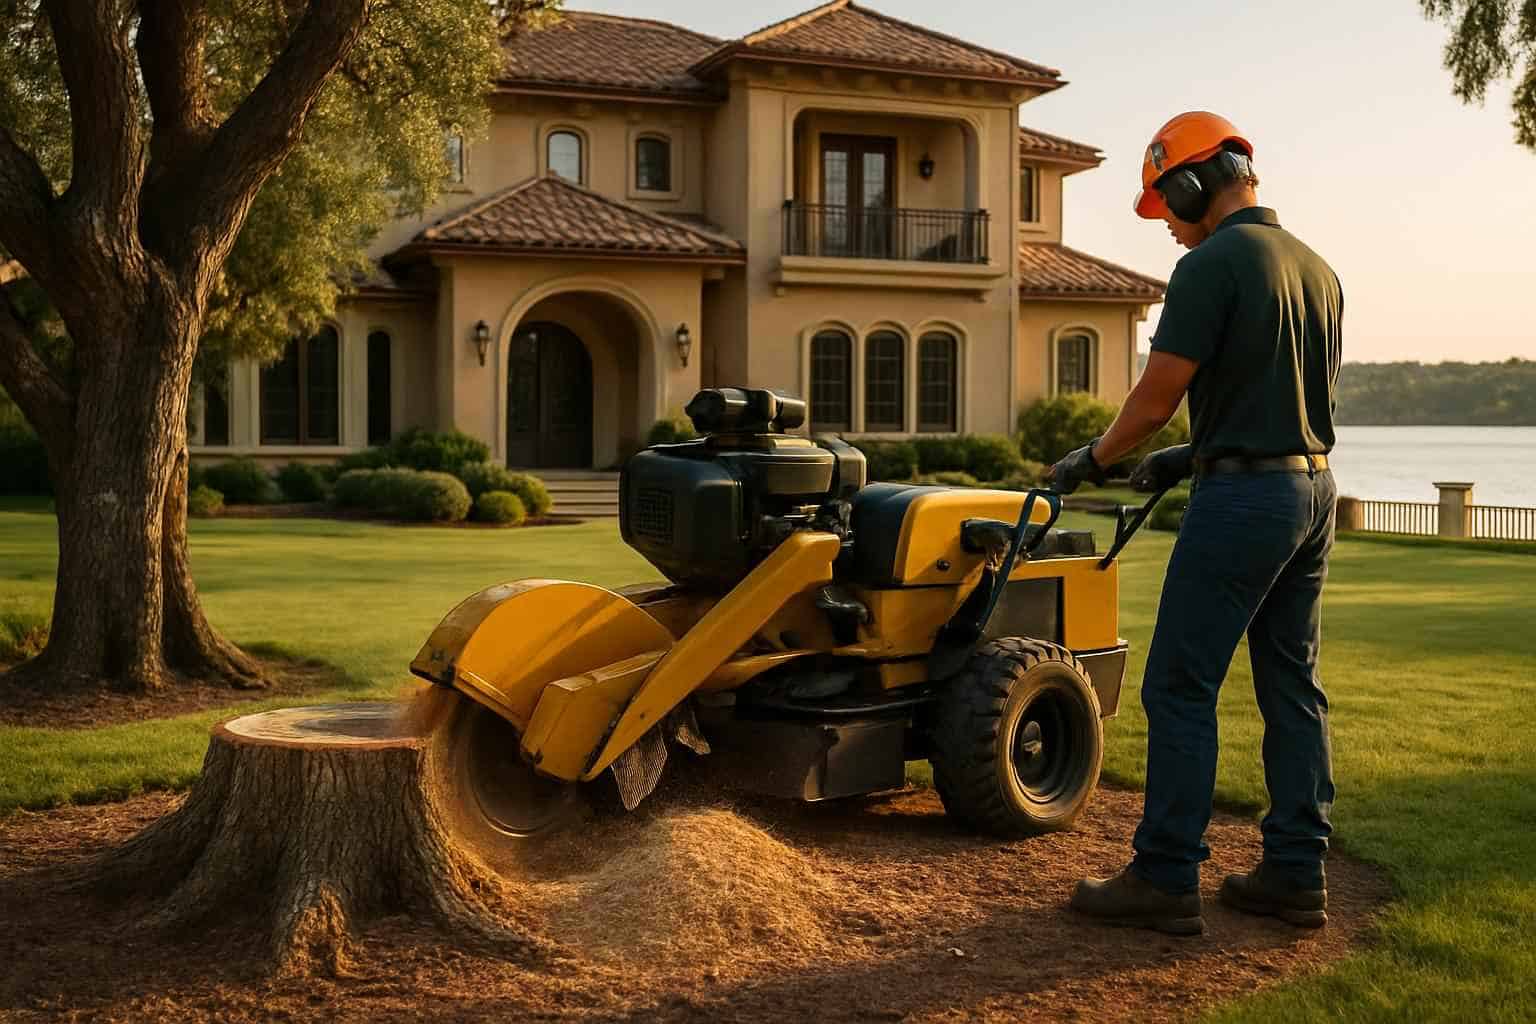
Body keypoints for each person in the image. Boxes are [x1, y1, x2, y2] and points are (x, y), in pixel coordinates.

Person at [1048, 111, 1343, 937]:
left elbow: (1152, 400)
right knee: (1293, 687)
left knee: (1180, 685)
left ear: (1192, 182)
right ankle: (1294, 872)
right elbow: (1281, 400)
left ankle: (1165, 875)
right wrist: (1192, 456)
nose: (1171, 230)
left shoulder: (1213, 265)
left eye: (1168, 208)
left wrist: (1095, 457)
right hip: (1310, 491)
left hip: (1245, 503)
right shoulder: (1316, 269)